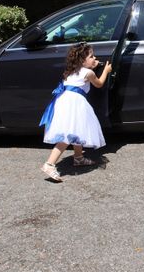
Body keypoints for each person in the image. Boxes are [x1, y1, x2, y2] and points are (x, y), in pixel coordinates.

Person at [40, 43, 112, 182]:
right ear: (82, 60)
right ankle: (49, 164)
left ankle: (78, 158)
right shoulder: (88, 73)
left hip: (64, 102)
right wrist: (106, 71)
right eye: (91, 56)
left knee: (77, 130)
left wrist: (92, 65)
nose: (95, 58)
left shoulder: (71, 72)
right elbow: (99, 84)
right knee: (67, 135)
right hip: (76, 103)